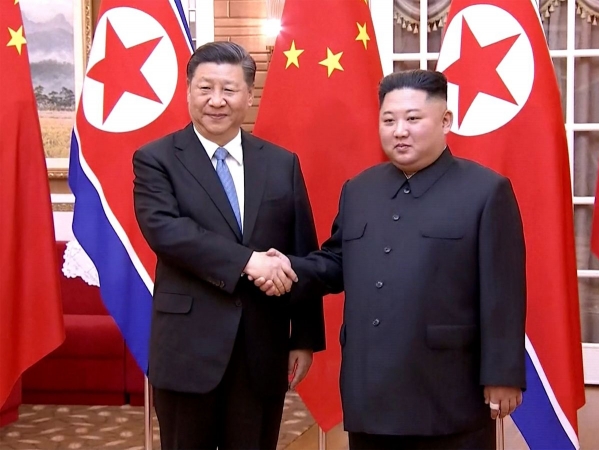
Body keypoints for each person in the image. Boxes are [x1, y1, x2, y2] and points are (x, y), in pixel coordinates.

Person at [257, 69, 527, 450]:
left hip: (447, 391)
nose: (399, 130)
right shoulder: (360, 189)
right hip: (371, 389)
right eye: (389, 120)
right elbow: (336, 262)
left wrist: (503, 372)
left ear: (445, 121)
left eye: (413, 119)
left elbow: (504, 291)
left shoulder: (486, 191)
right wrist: (285, 267)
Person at [132, 41, 325, 450]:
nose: (216, 101)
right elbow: (166, 232)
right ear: (188, 91)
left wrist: (304, 337)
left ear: (248, 95)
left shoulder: (281, 162)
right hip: (187, 349)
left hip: (262, 348)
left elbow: (302, 250)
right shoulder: (156, 159)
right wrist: (247, 262)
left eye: (229, 89)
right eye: (205, 88)